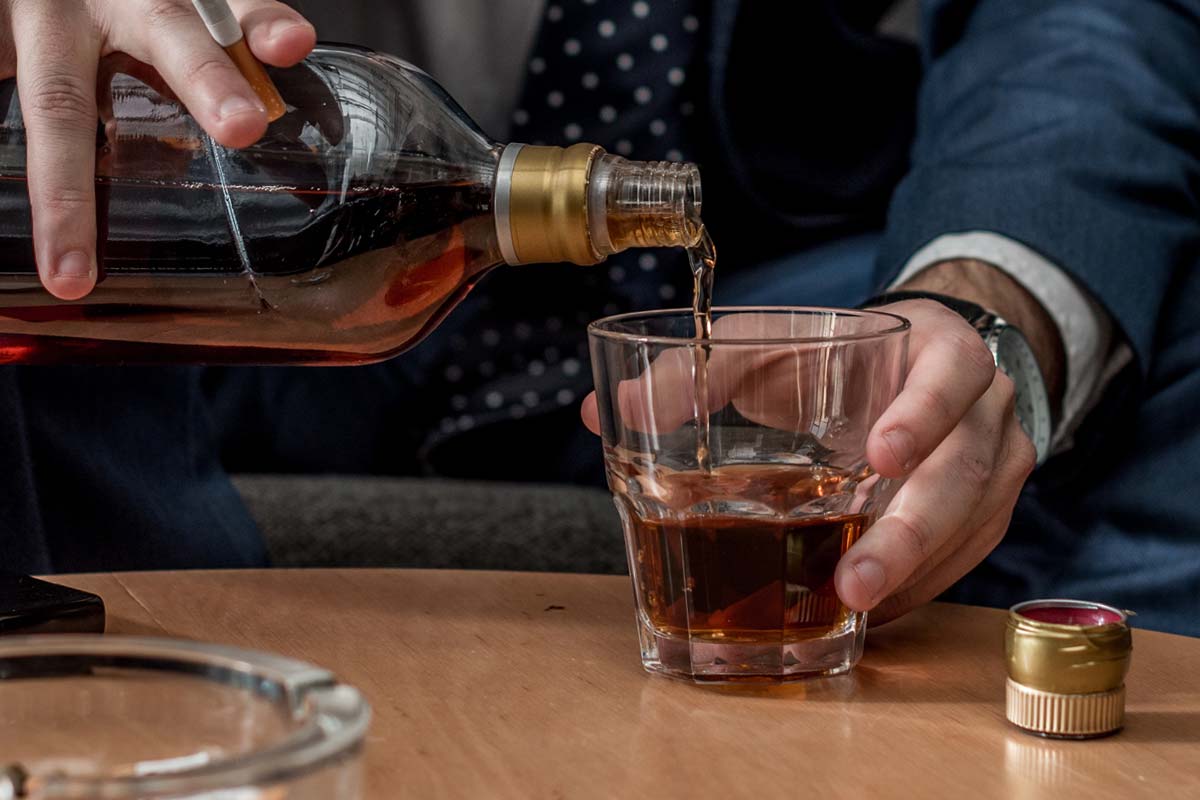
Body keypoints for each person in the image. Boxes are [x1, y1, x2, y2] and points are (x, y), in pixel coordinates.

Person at [1, 0, 1197, 635]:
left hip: (754, 325)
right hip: (256, 305)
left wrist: (982, 309)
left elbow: (1074, 26)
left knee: (1132, 315)